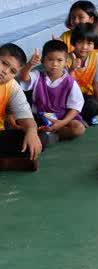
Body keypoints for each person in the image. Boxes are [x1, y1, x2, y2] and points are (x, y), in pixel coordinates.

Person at [19, 40, 85, 141]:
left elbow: (75, 107)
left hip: (62, 118)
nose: (54, 64)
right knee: (24, 125)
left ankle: (54, 134)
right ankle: (48, 132)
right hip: (40, 116)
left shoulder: (70, 82)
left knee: (79, 128)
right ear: (43, 60)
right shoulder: (37, 75)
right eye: (50, 59)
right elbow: (24, 77)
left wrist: (62, 123)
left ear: (66, 62)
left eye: (59, 60)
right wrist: (29, 65)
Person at [0, 43, 43, 171]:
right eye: (4, 63)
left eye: (12, 71)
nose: (5, 71)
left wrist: (32, 131)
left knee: (31, 140)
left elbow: (26, 117)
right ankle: (5, 163)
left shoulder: (12, 86)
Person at [69, 23, 98, 123]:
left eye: (89, 43)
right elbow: (64, 86)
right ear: (74, 42)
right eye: (80, 42)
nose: (84, 47)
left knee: (96, 101)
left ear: (94, 44)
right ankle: (74, 117)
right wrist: (71, 69)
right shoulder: (67, 59)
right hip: (69, 96)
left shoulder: (97, 58)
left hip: (85, 95)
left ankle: (80, 116)